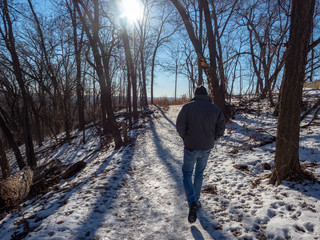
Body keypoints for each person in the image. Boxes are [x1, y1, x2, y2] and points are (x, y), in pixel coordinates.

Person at [176, 85, 225, 223]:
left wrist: (186, 137)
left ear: (196, 94)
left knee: (187, 173)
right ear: (206, 94)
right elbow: (221, 128)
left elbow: (179, 125)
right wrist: (213, 138)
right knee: (199, 173)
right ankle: (195, 201)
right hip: (206, 147)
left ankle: (192, 201)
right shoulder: (216, 109)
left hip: (190, 147)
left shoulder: (187, 107)